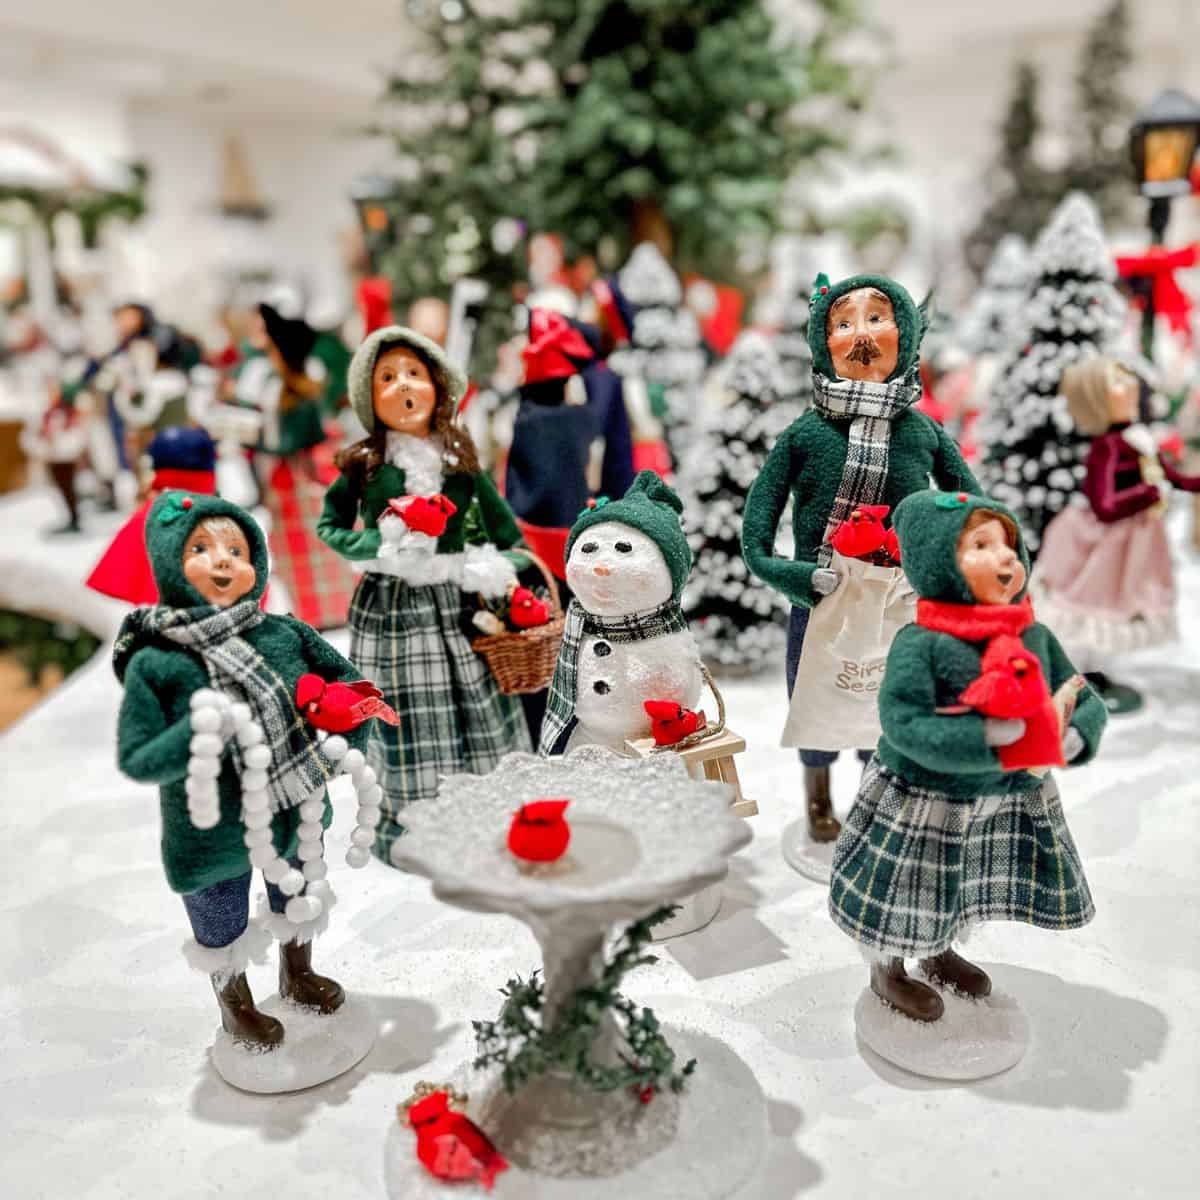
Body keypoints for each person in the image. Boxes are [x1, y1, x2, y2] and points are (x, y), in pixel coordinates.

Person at [828, 489, 1106, 1021]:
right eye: (981, 544)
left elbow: (1078, 692)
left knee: (959, 882)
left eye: (1008, 544)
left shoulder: (1032, 634)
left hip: (1001, 796)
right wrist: (984, 740)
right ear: (937, 561)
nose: (1004, 557)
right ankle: (888, 968)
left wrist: (1077, 732)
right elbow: (902, 722)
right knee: (909, 886)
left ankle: (940, 949)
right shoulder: (922, 642)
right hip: (927, 798)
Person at [113, 493, 369, 1047]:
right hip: (211, 829)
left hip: (293, 807)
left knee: (297, 891)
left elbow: (354, 687)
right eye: (200, 548)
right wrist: (195, 734)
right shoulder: (158, 662)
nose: (223, 559)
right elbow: (137, 758)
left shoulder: (283, 633)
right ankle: (236, 1004)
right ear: (168, 563)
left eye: (237, 547)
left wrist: (341, 733)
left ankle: (297, 973)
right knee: (218, 919)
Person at [743, 273, 980, 845]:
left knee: (890, 703)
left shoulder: (922, 431)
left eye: (877, 317)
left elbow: (971, 506)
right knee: (817, 700)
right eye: (843, 323)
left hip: (900, 600)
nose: (860, 335)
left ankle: (879, 799)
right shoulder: (804, 435)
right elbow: (755, 534)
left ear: (909, 330)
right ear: (823, 344)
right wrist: (795, 576)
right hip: (822, 598)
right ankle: (818, 795)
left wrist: (952, 561)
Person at [317, 325, 531, 864]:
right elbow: (329, 525)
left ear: (438, 385)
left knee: (476, 702)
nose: (403, 385)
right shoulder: (364, 466)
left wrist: (505, 567)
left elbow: (508, 533)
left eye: (414, 373)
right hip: (392, 609)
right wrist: (375, 543)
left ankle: (490, 815)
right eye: (387, 377)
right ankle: (415, 824)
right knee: (406, 711)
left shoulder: (459, 459)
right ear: (370, 398)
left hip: (458, 602)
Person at [1035, 355, 1200, 714]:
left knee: (1118, 604)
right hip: (1107, 544)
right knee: (1095, 604)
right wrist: (1150, 493)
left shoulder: (1138, 439)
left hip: (1134, 542)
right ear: (1096, 399)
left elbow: (1170, 477)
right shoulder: (1107, 447)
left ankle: (1094, 672)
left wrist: (1183, 483)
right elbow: (1104, 504)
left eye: (1127, 379)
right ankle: (1077, 675)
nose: (1129, 387)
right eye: (1117, 382)